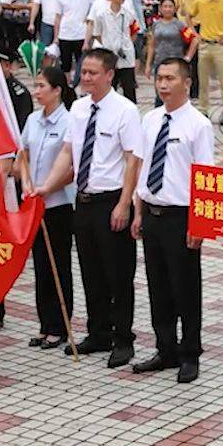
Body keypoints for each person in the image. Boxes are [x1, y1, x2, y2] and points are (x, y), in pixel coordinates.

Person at [41, 49, 144, 367]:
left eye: (92, 73)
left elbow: (133, 161)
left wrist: (125, 204)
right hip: (82, 201)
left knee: (118, 274)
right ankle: (98, 333)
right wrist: (47, 186)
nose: (85, 78)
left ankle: (123, 338)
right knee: (91, 271)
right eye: (83, 72)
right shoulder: (79, 108)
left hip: (111, 200)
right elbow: (68, 153)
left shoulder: (125, 111)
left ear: (110, 74)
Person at [131, 58, 216, 383]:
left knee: (186, 289)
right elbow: (142, 166)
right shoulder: (150, 119)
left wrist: (200, 224)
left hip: (181, 217)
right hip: (152, 212)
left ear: (186, 82)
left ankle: (190, 353)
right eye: (159, 79)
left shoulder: (198, 124)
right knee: (158, 286)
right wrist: (137, 211)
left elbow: (204, 176)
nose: (163, 85)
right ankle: (164, 348)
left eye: (170, 78)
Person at [16, 65, 78, 348]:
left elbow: (71, 168)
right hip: (33, 203)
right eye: (35, 85)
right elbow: (23, 156)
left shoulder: (69, 122)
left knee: (58, 265)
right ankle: (44, 324)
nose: (36, 91)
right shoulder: (32, 119)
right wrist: (27, 184)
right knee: (40, 265)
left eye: (41, 86)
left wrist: (47, 188)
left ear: (57, 90)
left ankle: (60, 326)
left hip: (58, 204)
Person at [86, 0, 140, 101]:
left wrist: (126, 44)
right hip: (109, 56)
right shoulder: (101, 15)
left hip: (126, 57)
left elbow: (135, 31)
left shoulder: (128, 14)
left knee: (129, 88)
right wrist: (108, 44)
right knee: (110, 87)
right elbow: (97, 34)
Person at [55, 0, 99, 76]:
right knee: (65, 64)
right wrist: (56, 36)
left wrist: (90, 16)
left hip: (81, 34)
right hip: (65, 33)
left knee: (82, 63)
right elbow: (57, 17)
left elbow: (99, 3)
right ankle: (68, 87)